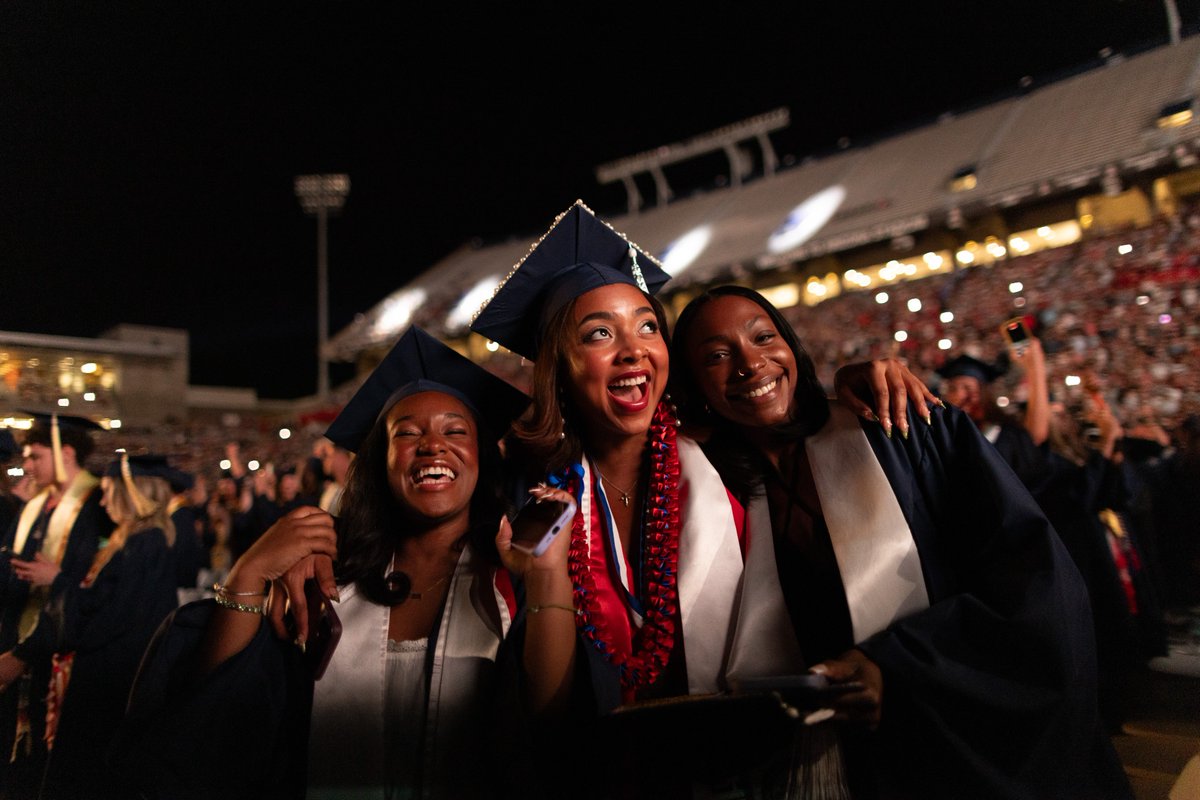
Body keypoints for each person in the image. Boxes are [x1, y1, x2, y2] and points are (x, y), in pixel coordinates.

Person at [470, 202, 931, 795]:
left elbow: (798, 411)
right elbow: (548, 714)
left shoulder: (729, 458)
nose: (633, 349)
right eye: (599, 334)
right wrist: (548, 577)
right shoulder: (533, 500)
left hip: (750, 765)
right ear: (559, 369)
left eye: (647, 326)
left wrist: (851, 379)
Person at [669, 285, 1132, 799]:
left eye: (763, 337)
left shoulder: (906, 430)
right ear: (694, 385)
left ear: (791, 344)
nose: (751, 363)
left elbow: (1036, 585)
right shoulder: (708, 491)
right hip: (834, 768)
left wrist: (899, 666)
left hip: (955, 748)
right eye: (716, 355)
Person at [114, 326, 530, 799]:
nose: (432, 445)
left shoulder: (516, 579)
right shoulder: (330, 582)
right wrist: (248, 573)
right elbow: (220, 721)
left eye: (455, 431)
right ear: (381, 461)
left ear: (482, 455)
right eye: (408, 433)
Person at [0, 452, 179, 799]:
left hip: (110, 684)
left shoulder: (147, 545)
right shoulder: (132, 541)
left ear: (134, 494)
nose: (103, 497)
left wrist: (60, 580)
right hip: (108, 677)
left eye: (111, 489)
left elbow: (109, 616)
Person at [0, 413, 110, 798]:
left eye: (35, 456)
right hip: (17, 640)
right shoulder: (34, 506)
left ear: (66, 453)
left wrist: (22, 654)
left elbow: (92, 589)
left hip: (62, 657)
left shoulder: (97, 504)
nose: (26, 465)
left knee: (51, 768)